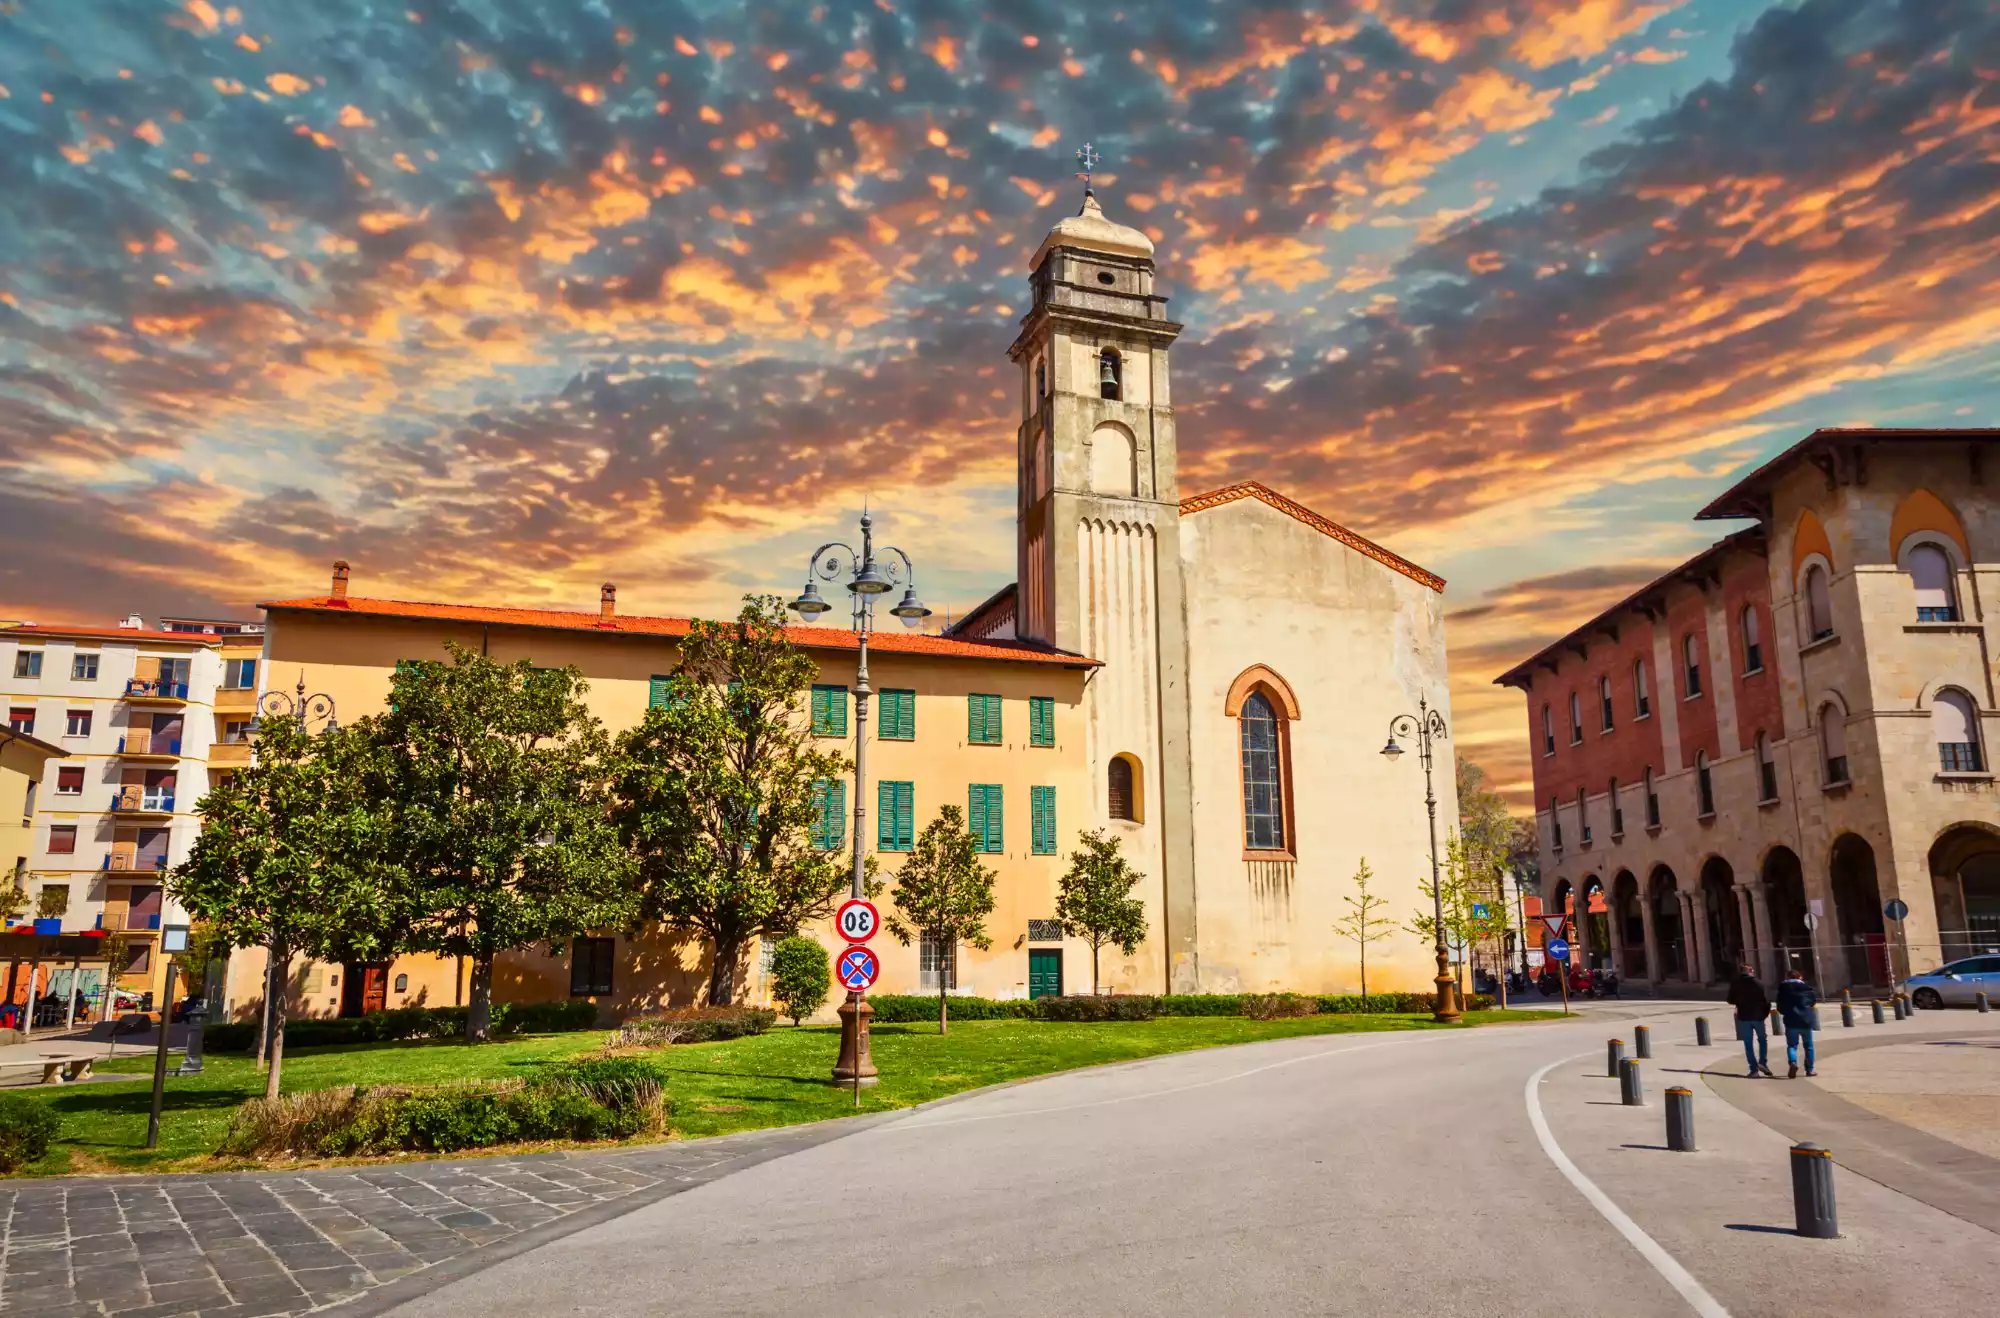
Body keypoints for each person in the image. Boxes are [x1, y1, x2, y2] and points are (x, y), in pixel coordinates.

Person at [1726, 963, 1774, 1077]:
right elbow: (1766, 1000)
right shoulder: (1759, 983)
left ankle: (1753, 1069)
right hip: (1758, 1016)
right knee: (1762, 1039)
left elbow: (1730, 999)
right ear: (1751, 970)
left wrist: (1739, 1002)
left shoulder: (1736, 984)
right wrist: (1764, 1013)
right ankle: (1762, 1062)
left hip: (1743, 1015)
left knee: (1748, 1043)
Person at [1775, 965, 1819, 1078]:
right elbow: (1813, 1002)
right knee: (1808, 1046)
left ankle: (1793, 1062)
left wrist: (1786, 1012)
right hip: (1806, 1020)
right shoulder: (1807, 989)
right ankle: (1810, 1069)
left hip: (1791, 1020)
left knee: (1792, 1045)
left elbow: (1780, 1007)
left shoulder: (1783, 990)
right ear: (1800, 977)